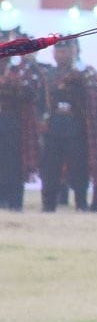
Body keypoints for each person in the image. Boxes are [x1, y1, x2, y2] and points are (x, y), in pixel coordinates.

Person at [37, 37, 97, 211]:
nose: (61, 55)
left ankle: (81, 203)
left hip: (75, 127)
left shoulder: (83, 74)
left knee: (79, 168)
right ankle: (48, 205)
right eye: (58, 51)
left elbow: (88, 102)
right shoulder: (48, 75)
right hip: (53, 128)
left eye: (65, 51)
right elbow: (41, 101)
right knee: (50, 168)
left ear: (72, 53)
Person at [0, 44, 30, 209]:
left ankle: (15, 202)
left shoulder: (18, 73)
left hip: (12, 123)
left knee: (13, 163)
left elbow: (28, 93)